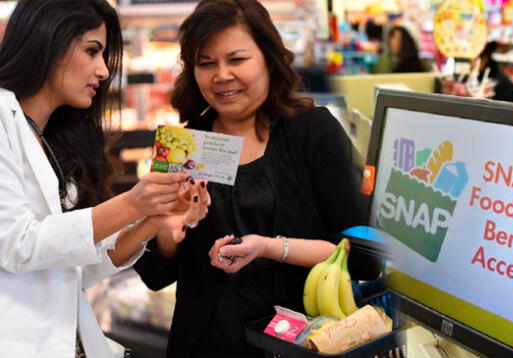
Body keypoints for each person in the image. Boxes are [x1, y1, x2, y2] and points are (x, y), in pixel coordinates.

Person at [133, 0, 381, 356]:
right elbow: (156, 274)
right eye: (206, 63)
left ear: (268, 57)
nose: (221, 75)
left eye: (237, 59)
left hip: (297, 344)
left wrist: (269, 247)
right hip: (203, 344)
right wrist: (166, 227)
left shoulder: (312, 131)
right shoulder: (187, 143)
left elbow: (361, 256)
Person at [0, 1, 210, 357]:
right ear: (48, 39)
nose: (102, 71)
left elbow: (73, 270)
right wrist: (131, 204)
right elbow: (15, 244)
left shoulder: (51, 137)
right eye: (92, 51)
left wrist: (151, 220)